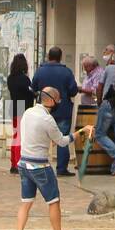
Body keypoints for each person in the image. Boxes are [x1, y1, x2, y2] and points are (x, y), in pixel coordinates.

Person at [14, 85, 94, 230]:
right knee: (53, 201)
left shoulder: (28, 113)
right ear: (50, 101)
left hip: (24, 163)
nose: (59, 103)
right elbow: (62, 141)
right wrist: (82, 131)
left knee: (26, 201)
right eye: (57, 100)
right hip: (40, 165)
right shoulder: (47, 119)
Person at [31, 47, 79, 176]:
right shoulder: (66, 72)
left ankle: (39, 165)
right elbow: (73, 90)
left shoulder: (40, 71)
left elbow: (33, 88)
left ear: (48, 56)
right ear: (60, 57)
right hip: (63, 110)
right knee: (62, 139)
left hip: (45, 110)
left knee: (41, 137)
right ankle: (61, 168)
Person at [93, 51, 115, 176]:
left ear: (112, 59)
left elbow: (100, 87)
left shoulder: (109, 68)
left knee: (99, 134)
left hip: (108, 104)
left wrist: (99, 103)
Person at [6, 53, 35, 174]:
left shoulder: (10, 78)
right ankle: (18, 163)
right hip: (23, 109)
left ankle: (13, 162)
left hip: (14, 108)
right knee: (21, 138)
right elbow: (30, 92)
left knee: (16, 137)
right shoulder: (24, 79)